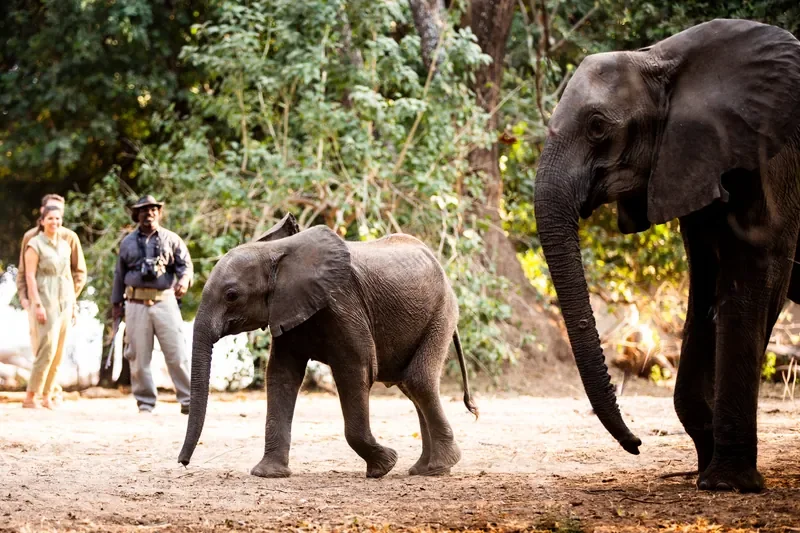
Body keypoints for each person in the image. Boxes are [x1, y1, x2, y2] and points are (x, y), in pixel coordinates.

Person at [111, 195, 193, 414]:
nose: (149, 213)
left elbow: (186, 266)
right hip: (135, 303)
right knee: (138, 356)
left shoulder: (172, 239)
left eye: (154, 209)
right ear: (136, 214)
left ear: (159, 213)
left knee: (177, 352)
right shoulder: (127, 242)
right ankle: (145, 403)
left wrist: (184, 281)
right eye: (144, 210)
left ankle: (188, 401)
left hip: (165, 301)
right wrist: (117, 304)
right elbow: (119, 274)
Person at [17, 193, 87, 407]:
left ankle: (48, 395)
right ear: (42, 217)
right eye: (50, 217)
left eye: (58, 218)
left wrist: (73, 303)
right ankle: (31, 395)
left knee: (58, 350)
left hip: (65, 299)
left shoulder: (67, 241)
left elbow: (74, 273)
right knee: (45, 348)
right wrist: (31, 301)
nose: (55, 221)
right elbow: (26, 275)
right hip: (44, 298)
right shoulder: (33, 241)